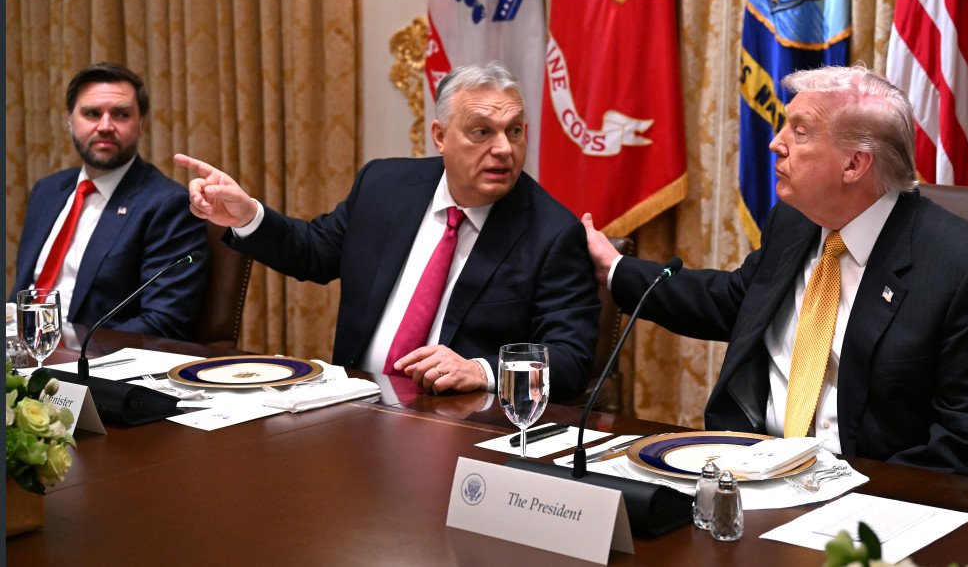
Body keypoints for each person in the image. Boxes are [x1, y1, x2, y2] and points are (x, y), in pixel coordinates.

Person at [582, 65, 968, 480]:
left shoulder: (966, 269)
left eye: (800, 132)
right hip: (751, 471)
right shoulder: (795, 222)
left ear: (854, 165)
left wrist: (854, 495)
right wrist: (615, 269)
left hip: (869, 495)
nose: (776, 143)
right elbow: (732, 300)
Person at [179, 62, 599, 401]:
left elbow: (571, 360)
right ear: (440, 136)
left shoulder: (552, 233)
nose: (504, 148)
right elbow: (315, 252)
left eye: (514, 131)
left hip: (455, 427)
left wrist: (481, 370)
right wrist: (248, 216)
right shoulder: (384, 186)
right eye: (481, 132)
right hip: (352, 407)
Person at [10, 62, 209, 340]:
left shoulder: (167, 205)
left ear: (141, 124)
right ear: (70, 120)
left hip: (89, 358)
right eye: (92, 113)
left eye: (121, 114)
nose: (105, 126)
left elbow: (163, 322)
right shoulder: (48, 190)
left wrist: (67, 346)